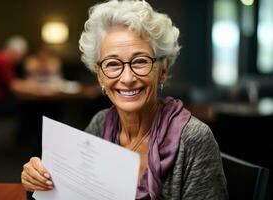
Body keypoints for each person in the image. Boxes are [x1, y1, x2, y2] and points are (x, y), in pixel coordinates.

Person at [21, 0, 228, 199]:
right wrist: (39, 178)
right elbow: (73, 190)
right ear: (99, 74)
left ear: (162, 71)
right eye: (112, 64)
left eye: (140, 61)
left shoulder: (193, 139)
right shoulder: (101, 124)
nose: (127, 78)